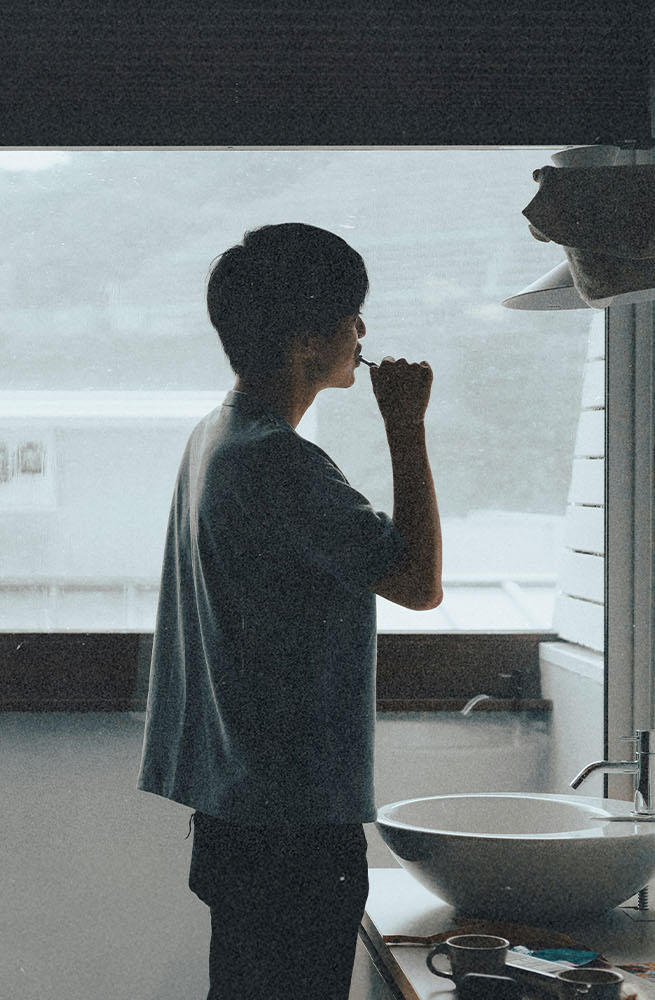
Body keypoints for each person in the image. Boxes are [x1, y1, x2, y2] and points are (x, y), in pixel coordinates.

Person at [138, 222, 443, 1000]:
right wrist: (406, 426)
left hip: (237, 806)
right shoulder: (275, 459)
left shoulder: (216, 435)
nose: (362, 332)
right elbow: (418, 582)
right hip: (292, 820)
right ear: (309, 339)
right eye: (351, 316)